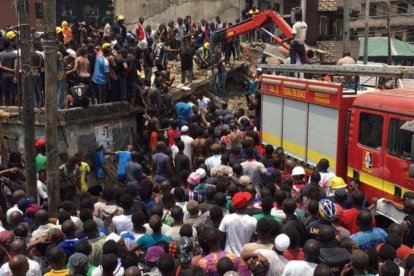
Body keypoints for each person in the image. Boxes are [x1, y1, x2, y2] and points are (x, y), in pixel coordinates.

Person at [219, 191, 257, 256]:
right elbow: (256, 238)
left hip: (228, 256)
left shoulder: (227, 218)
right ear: (246, 205)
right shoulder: (253, 221)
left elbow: (220, 236)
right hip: (245, 256)